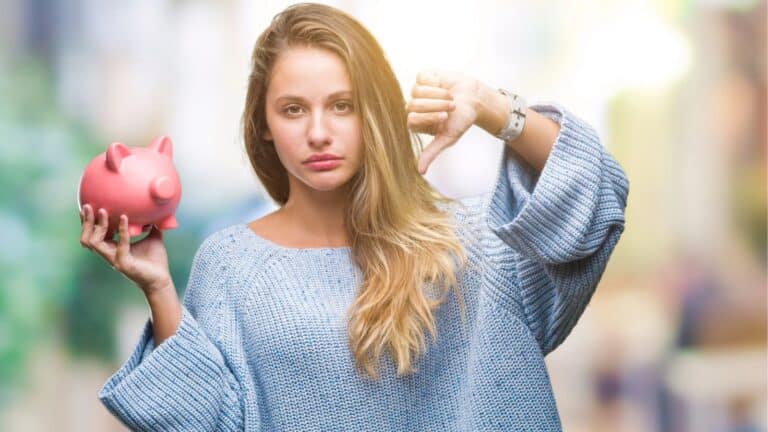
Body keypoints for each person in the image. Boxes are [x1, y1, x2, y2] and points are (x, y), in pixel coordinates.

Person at [79, 3, 629, 431]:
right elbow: (206, 422)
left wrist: (490, 106)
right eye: (294, 109)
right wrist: (157, 286)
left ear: (375, 113)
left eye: (342, 105)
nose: (318, 131)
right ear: (265, 123)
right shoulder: (230, 264)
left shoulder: (471, 247)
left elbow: (597, 195)